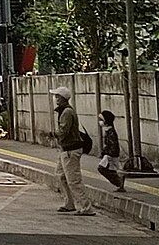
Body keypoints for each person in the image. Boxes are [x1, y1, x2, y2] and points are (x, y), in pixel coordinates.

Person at [52, 86, 95, 215]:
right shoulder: (64, 111)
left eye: (58, 96)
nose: (56, 99)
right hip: (65, 149)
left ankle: (86, 207)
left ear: (63, 98)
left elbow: (63, 131)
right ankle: (69, 203)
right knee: (61, 175)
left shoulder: (67, 112)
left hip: (71, 150)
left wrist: (54, 134)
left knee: (73, 180)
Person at [97, 110, 127, 192]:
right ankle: (120, 183)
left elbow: (113, 145)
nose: (100, 122)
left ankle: (119, 182)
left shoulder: (111, 132)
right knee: (113, 169)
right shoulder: (108, 131)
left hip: (111, 155)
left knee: (102, 168)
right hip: (110, 155)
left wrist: (107, 153)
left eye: (101, 120)